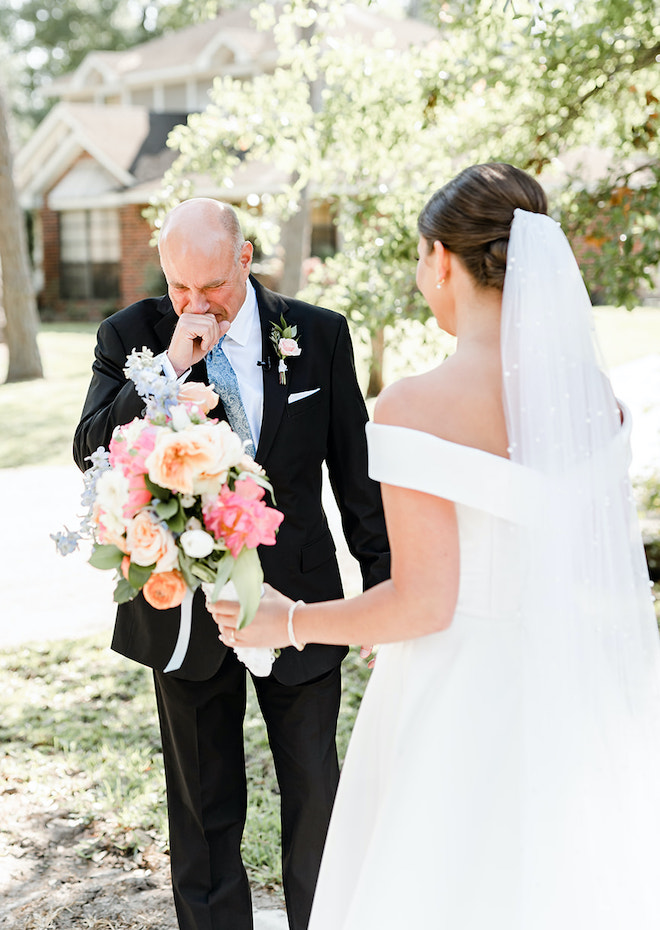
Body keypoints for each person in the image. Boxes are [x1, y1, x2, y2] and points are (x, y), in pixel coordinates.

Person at [210, 163, 660, 929]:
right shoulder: (595, 400)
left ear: (442, 260)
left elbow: (424, 602)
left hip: (457, 698)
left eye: (421, 258)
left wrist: (287, 621)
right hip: (574, 689)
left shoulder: (415, 405)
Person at [73, 198, 390, 930]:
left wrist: (381, 589)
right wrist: (169, 369)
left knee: (315, 793)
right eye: (177, 286)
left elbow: (357, 479)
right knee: (203, 811)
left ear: (245, 259)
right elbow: (91, 449)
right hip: (182, 603)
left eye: (210, 286)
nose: (193, 303)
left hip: (302, 600)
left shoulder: (318, 334)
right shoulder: (130, 335)